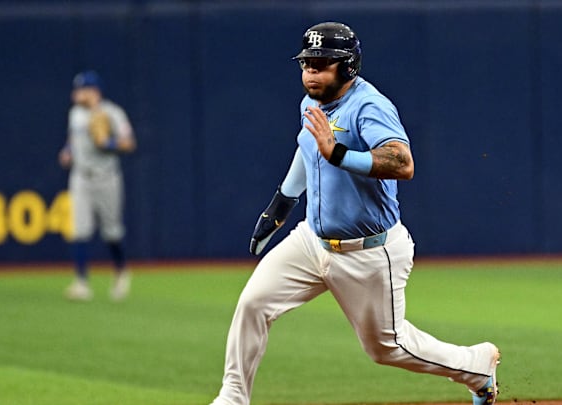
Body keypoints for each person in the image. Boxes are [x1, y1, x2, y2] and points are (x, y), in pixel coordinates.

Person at [210, 22, 500, 405]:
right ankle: (233, 397)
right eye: (306, 63)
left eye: (321, 63)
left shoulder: (369, 105)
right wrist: (280, 205)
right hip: (311, 242)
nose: (310, 71)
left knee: (386, 349)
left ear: (347, 67)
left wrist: (340, 154)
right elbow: (308, 148)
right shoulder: (311, 103)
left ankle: (476, 365)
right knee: (253, 304)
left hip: (368, 252)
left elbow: (402, 162)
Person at [58, 70, 136, 301]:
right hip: (81, 176)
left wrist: (108, 142)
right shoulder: (75, 114)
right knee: (80, 229)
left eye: (82, 89)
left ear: (94, 91)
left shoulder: (112, 113)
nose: (77, 94)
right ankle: (81, 282)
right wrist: (68, 151)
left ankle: (121, 271)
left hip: (106, 177)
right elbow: (73, 139)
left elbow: (130, 143)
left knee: (111, 231)